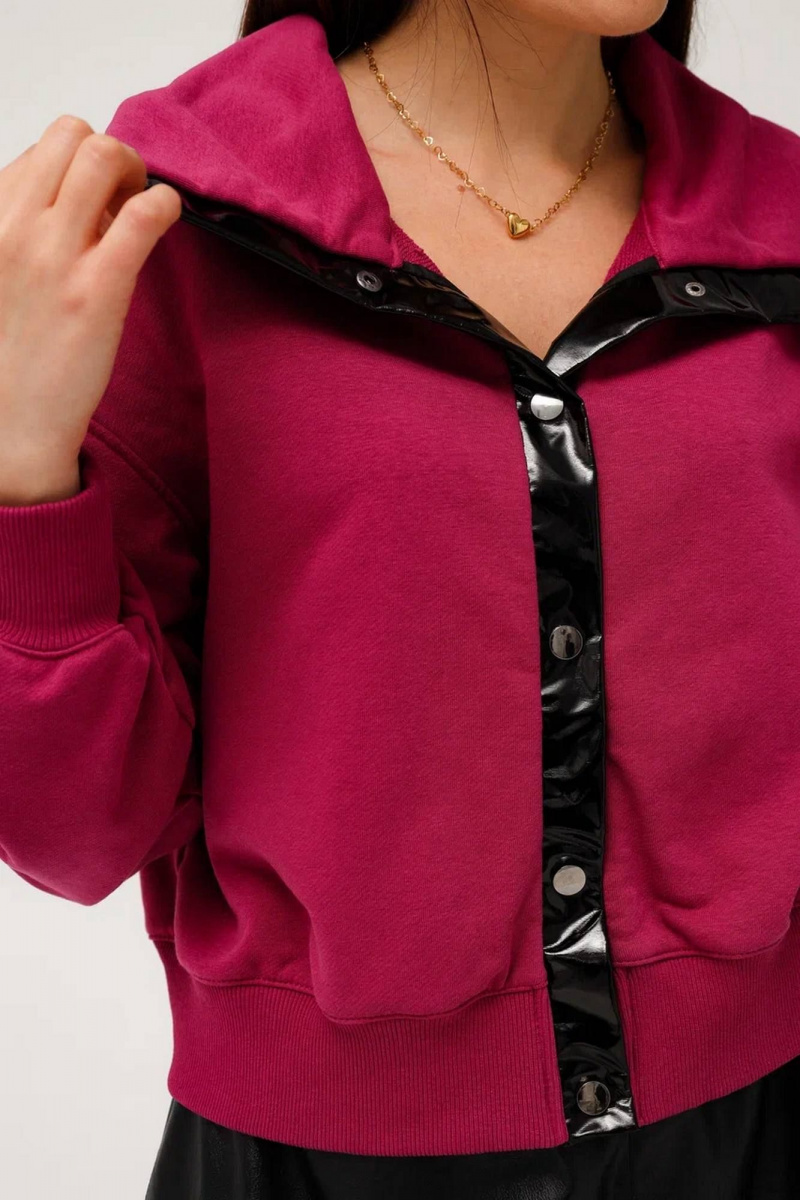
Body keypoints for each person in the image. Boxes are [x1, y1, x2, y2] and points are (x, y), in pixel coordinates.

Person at [2, 0, 800, 1196]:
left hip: (758, 1125)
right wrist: (19, 470)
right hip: (317, 1166)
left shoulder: (775, 222)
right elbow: (73, 837)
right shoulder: (168, 224)